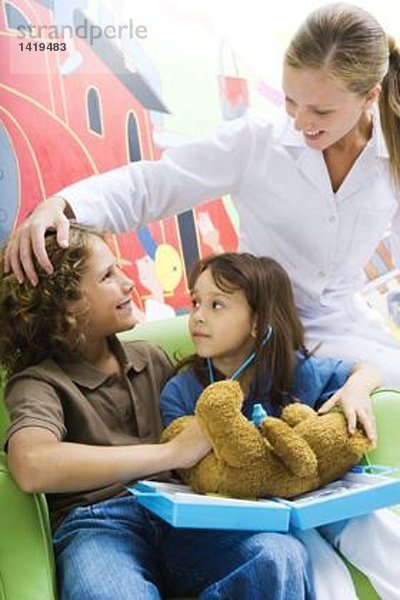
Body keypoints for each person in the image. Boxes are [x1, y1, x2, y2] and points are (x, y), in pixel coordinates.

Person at [4, 2, 400, 385]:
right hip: (260, 324)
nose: (299, 121)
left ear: (369, 97)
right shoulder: (257, 141)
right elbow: (154, 185)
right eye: (291, 101)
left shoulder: (393, 155)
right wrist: (61, 204)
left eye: (321, 112)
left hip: (349, 327)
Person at [0, 226, 315, 600]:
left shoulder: (150, 359)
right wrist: (171, 453)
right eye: (108, 276)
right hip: (99, 527)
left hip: (183, 516)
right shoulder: (38, 382)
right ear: (67, 307)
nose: (127, 282)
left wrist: (358, 381)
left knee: (279, 556)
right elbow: (32, 463)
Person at [159, 251, 400, 600]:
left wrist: (358, 388)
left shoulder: (293, 369)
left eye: (216, 305)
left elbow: (364, 369)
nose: (197, 317)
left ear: (258, 322)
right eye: (195, 302)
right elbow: (189, 466)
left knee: (371, 524)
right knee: (318, 568)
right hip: (247, 521)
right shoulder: (182, 392)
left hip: (314, 498)